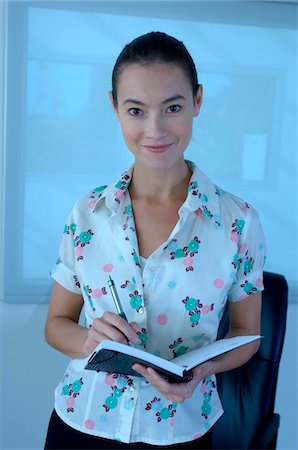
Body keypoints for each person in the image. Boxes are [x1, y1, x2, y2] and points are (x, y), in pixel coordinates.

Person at [44, 31, 266, 449]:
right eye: (136, 110)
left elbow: (246, 334)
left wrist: (202, 371)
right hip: (82, 423)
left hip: (181, 429)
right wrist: (89, 339)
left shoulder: (237, 222)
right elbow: (56, 326)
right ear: (114, 107)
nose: (155, 129)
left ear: (197, 101)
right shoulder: (88, 213)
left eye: (173, 108)